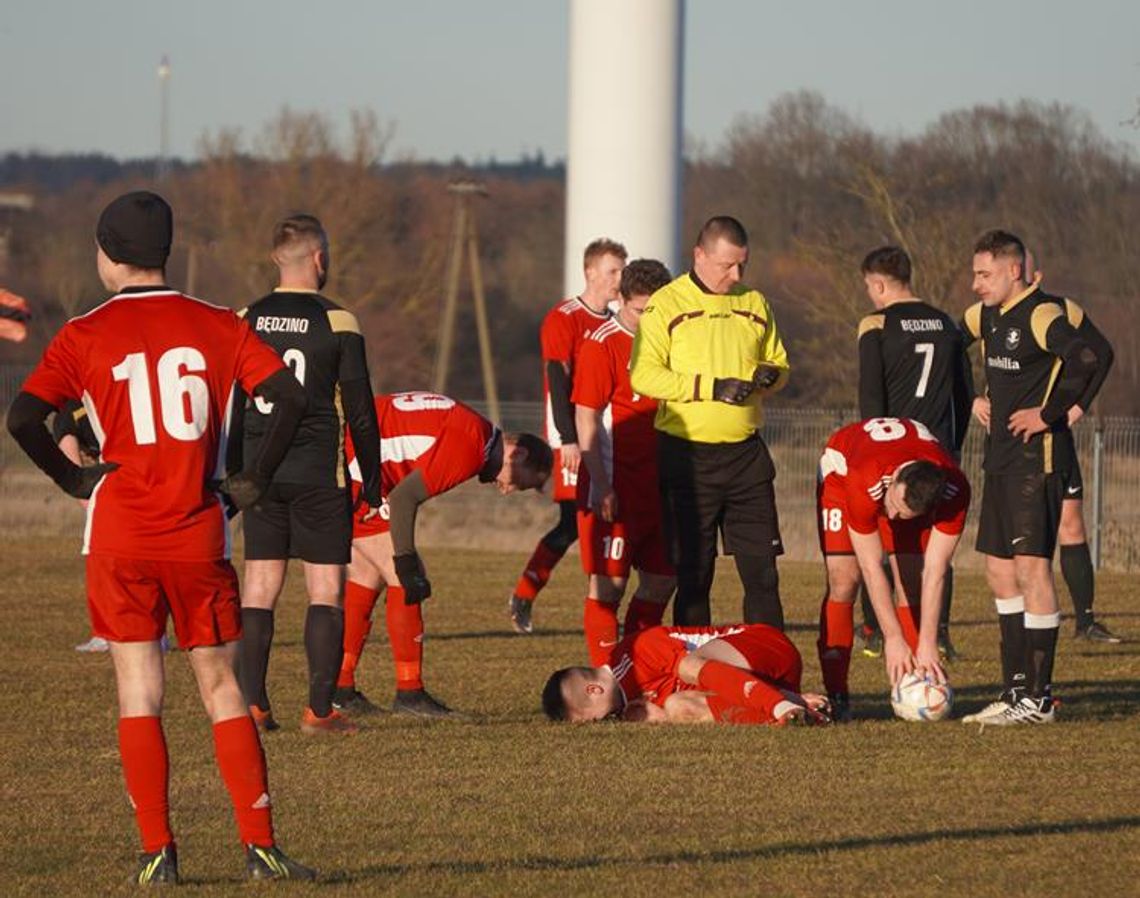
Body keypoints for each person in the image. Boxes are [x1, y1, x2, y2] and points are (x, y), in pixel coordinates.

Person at [6, 191, 315, 882]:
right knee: (221, 689)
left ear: (109, 255)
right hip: (196, 532)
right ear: (164, 252)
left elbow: (23, 419)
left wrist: (73, 481)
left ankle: (158, 855)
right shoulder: (216, 323)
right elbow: (290, 397)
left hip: (119, 537)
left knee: (138, 692)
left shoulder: (84, 333)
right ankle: (261, 848)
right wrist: (251, 480)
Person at [229, 214, 382, 736]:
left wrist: (236, 473)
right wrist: (375, 479)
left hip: (261, 472)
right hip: (320, 472)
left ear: (277, 258)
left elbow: (232, 406)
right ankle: (319, 711)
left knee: (260, 585)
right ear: (319, 259)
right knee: (324, 590)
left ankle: (253, 705)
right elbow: (360, 411)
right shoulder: (339, 322)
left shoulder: (245, 317)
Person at [334, 391, 552, 717]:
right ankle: (410, 694)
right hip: (349, 466)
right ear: (517, 454)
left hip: (346, 456)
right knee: (404, 574)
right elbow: (405, 498)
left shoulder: (473, 431)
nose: (514, 490)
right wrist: (406, 563)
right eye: (528, 482)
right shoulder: (471, 446)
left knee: (367, 575)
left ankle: (340, 687)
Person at [958, 229, 1101, 726]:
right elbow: (952, 344)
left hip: (1036, 462)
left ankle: (1039, 699)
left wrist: (1057, 411)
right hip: (999, 459)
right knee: (999, 572)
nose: (975, 284)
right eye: (975, 274)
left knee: (1031, 569)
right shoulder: (988, 314)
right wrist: (971, 397)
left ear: (1013, 271)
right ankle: (1013, 690)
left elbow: (1092, 355)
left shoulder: (1041, 314)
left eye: (984, 274)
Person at [630, 216, 789, 628]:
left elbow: (780, 362)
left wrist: (772, 375)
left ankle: (773, 680)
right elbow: (643, 376)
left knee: (764, 577)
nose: (735, 275)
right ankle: (697, 680)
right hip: (687, 460)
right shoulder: (666, 304)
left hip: (746, 458)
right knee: (695, 578)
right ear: (699, 256)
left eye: (742, 265)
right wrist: (712, 387)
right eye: (726, 266)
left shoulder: (755, 302)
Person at [855, 246, 974, 660]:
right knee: (940, 541)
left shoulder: (876, 323)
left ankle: (873, 628)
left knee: (886, 535)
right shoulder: (946, 324)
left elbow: (871, 395)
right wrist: (953, 447)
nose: (871, 295)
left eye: (870, 287)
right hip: (937, 447)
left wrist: (869, 444)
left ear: (880, 283)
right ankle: (938, 633)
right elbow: (964, 392)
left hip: (892, 450)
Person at [816, 418, 971, 721]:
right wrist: (893, 638)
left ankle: (919, 681)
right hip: (841, 473)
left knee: (911, 579)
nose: (894, 516)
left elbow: (936, 570)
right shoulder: (866, 478)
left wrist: (928, 642)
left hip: (895, 479)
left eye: (905, 514)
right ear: (898, 477)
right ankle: (837, 693)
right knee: (844, 579)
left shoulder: (955, 490)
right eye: (896, 506)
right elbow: (872, 567)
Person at [508, 238, 627, 634]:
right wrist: (568, 438)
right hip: (572, 439)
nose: (618, 279)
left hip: (603, 437)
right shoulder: (564, 317)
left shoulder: (613, 320)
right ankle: (526, 593)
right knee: (575, 523)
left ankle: (600, 604)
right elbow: (557, 382)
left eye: (622, 271)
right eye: (612, 271)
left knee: (599, 520)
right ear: (590, 272)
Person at [573, 259, 676, 664]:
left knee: (661, 582)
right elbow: (586, 416)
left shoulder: (673, 341)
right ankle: (603, 677)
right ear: (621, 301)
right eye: (641, 311)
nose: (650, 319)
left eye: (657, 310)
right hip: (616, 484)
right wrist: (600, 483)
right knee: (608, 585)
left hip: (662, 487)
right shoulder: (603, 344)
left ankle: (634, 668)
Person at [1019, 251, 1120, 643]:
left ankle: (1086, 621)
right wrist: (976, 399)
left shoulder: (1060, 310)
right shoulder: (991, 313)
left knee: (1072, 523)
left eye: (1024, 272)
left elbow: (1103, 353)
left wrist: (1078, 405)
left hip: (1053, 434)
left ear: (1036, 276)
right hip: (1014, 444)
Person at [542, 623, 829, 725]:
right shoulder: (631, 705)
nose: (604, 723)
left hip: (763, 646)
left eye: (593, 721)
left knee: (690, 666)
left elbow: (699, 669)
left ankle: (781, 707)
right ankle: (800, 709)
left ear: (594, 691)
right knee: (679, 708)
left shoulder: (635, 650)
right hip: (758, 682)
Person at [54, 400, 112, 652]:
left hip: (114, 485)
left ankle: (105, 633)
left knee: (100, 560)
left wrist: (90, 507)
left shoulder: (67, 414)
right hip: (151, 475)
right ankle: (156, 635)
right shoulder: (108, 392)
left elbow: (73, 471)